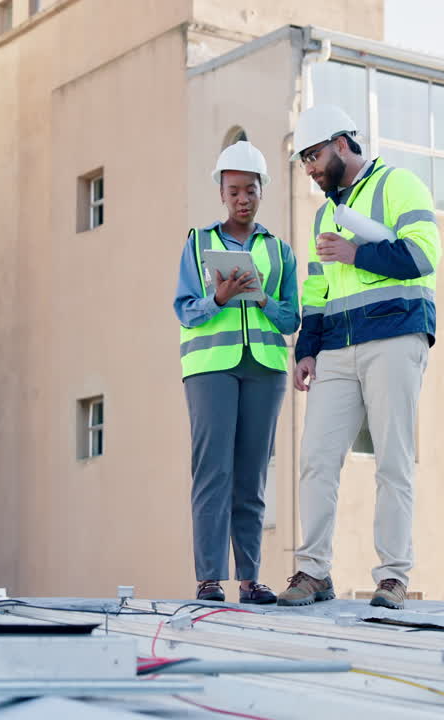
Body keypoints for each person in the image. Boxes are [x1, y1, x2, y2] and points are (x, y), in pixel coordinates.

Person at [277, 105, 440, 610]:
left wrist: (355, 253)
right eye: (303, 159)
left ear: (341, 145)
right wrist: (307, 350)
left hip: (395, 335)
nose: (308, 168)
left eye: (312, 156)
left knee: (393, 461)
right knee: (316, 460)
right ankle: (313, 572)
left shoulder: (399, 185)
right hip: (337, 350)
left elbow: (423, 255)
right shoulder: (325, 214)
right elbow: (316, 290)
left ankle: (393, 577)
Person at [174, 140, 299, 604]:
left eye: (250, 189)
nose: (242, 198)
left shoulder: (280, 252)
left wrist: (262, 298)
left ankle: (250, 578)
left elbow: (291, 320)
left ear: (261, 190)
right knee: (213, 473)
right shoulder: (198, 242)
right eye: (234, 191)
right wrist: (220, 298)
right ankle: (209, 578)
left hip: (266, 369)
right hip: (210, 369)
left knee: (252, 476)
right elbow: (185, 311)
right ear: (221, 194)